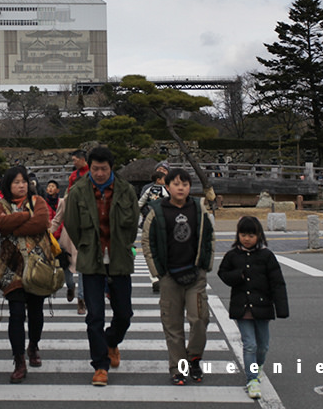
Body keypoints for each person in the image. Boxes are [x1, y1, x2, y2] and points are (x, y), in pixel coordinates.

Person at [63, 146, 140, 387]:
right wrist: (86, 248)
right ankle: (100, 365)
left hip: (118, 259)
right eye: (95, 168)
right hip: (91, 261)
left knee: (124, 314)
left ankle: (111, 341)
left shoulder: (126, 191)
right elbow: (72, 225)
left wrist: (120, 246)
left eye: (103, 169)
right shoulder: (78, 192)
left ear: (111, 168)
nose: (98, 173)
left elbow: (132, 224)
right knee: (94, 316)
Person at [141, 167, 216, 386]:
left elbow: (209, 237)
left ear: (189, 187)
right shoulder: (156, 210)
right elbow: (147, 241)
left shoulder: (199, 208)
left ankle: (194, 357)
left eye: (184, 184)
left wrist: (205, 265)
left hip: (195, 274)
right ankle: (178, 367)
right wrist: (157, 273)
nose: (180, 187)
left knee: (199, 319)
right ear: (167, 187)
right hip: (169, 276)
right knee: (172, 326)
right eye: (176, 184)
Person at [218, 216, 289, 399]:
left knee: (263, 345)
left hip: (262, 306)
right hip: (242, 307)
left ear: (259, 235)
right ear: (238, 235)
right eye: (243, 234)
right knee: (249, 344)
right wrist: (237, 275)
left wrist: (281, 308)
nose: (247, 238)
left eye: (251, 235)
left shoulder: (266, 256)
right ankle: (252, 379)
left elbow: (277, 283)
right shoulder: (233, 255)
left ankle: (257, 366)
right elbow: (222, 273)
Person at [0, 165, 52, 383]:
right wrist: (25, 217)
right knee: (16, 314)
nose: (21, 186)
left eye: (24, 182)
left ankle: (34, 345)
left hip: (38, 264)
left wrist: (15, 224)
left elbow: (40, 223)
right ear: (8, 185)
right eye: (16, 182)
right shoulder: (0, 205)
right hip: (11, 267)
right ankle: (19, 359)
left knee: (36, 311)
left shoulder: (39, 201)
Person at [49, 191, 85, 315]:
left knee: (83, 270)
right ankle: (70, 286)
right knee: (66, 268)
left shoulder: (90, 199)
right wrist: (47, 233)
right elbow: (57, 220)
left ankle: (81, 299)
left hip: (84, 238)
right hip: (67, 239)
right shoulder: (65, 202)